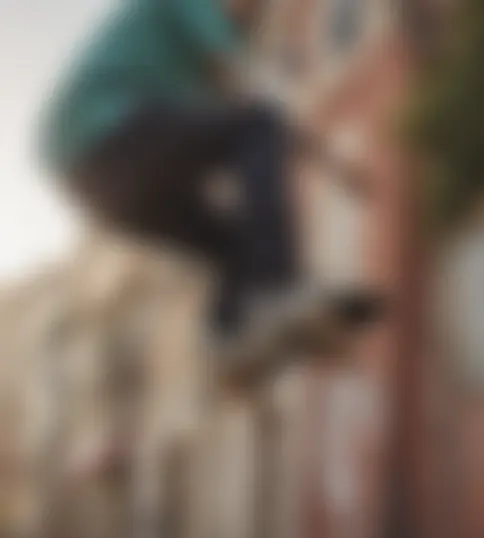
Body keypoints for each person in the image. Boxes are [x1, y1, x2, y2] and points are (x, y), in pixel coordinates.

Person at [39, 0, 380, 381]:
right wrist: (334, 164)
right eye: (247, 11)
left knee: (232, 240)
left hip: (101, 187)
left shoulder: (194, 67)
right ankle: (277, 287)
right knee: (259, 127)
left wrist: (332, 166)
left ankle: (229, 339)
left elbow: (252, 121)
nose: (246, 20)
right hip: (103, 132)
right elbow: (257, 105)